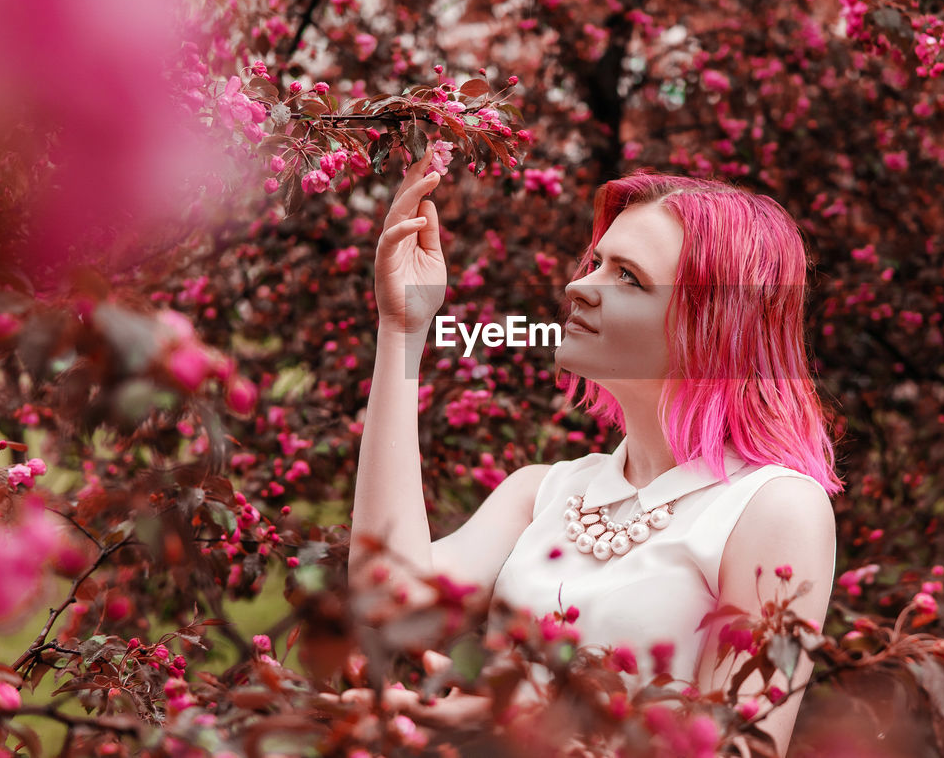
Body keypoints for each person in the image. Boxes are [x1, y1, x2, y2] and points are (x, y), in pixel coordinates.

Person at [349, 146, 841, 756]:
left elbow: (740, 749)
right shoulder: (542, 493)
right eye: (597, 263)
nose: (579, 285)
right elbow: (385, 601)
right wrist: (402, 330)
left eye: (626, 276)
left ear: (712, 322)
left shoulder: (772, 509)